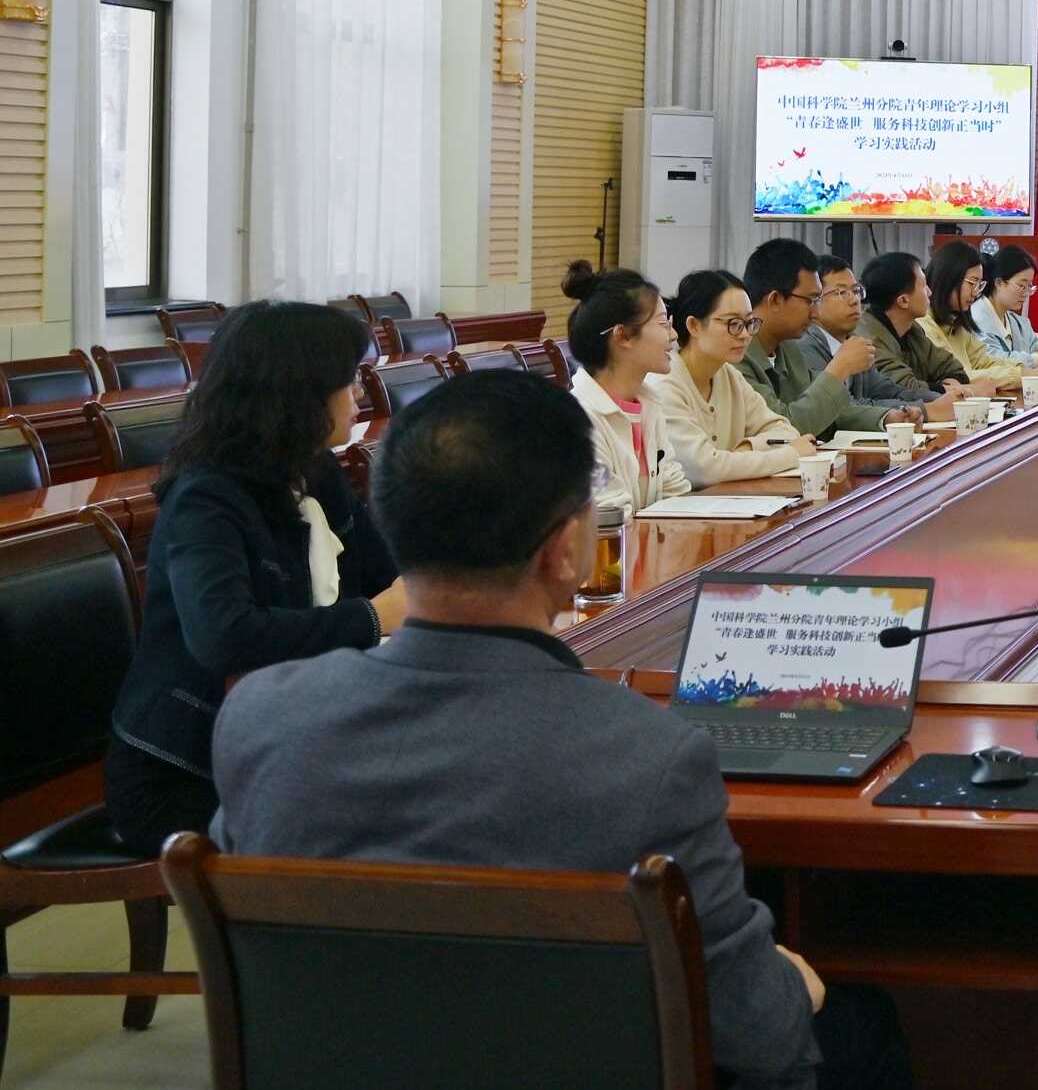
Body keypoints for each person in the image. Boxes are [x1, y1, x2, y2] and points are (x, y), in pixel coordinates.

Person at [209, 371, 916, 1089]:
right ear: (567, 549)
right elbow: (759, 1032)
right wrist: (792, 986)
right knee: (859, 1026)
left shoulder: (262, 719)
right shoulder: (648, 755)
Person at [102, 301, 407, 853]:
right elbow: (224, 636)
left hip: (287, 735)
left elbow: (390, 578)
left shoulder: (315, 470)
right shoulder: (206, 498)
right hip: (186, 770)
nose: (361, 394)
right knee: (393, 822)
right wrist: (370, 618)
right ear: (297, 396)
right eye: (347, 381)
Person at [648, 269, 816, 484]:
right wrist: (791, 455)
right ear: (694, 325)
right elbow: (705, 470)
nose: (745, 335)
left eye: (749, 323)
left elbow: (786, 431)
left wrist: (748, 448)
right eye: (733, 324)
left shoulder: (729, 375)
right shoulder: (664, 385)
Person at [562, 261, 690, 515]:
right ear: (622, 336)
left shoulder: (649, 405)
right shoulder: (578, 422)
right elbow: (611, 517)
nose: (674, 335)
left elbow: (676, 494)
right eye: (663, 324)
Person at [736, 238, 886, 437]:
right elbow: (783, 429)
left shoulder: (789, 348)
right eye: (811, 300)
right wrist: (838, 369)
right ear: (775, 299)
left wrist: (887, 418)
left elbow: (827, 411)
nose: (816, 313)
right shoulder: (736, 354)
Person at [808, 254, 945, 420]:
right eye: (842, 292)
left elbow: (888, 391)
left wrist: (942, 400)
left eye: (856, 291)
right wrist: (926, 409)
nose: (855, 301)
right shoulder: (805, 346)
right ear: (814, 299)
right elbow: (840, 409)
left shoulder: (852, 342)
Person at [855, 251, 979, 402]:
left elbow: (953, 368)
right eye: (924, 286)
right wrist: (944, 389)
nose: (930, 292)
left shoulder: (912, 330)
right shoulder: (868, 340)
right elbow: (903, 390)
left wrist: (953, 383)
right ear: (903, 301)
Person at [924, 240, 1028, 393]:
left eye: (980, 285)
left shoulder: (955, 322)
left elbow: (983, 361)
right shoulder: (924, 324)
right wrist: (1021, 375)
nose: (976, 292)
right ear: (948, 278)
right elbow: (961, 376)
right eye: (972, 283)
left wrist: (1024, 370)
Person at [973, 244, 1038, 370]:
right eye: (1022, 286)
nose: (1026, 293)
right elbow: (992, 361)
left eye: (1029, 287)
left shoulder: (1016, 321)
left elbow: (1033, 345)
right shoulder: (976, 318)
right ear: (999, 282)